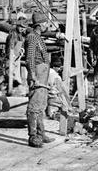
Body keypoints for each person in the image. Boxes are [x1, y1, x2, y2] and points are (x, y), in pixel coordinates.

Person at [24, 11, 55, 148]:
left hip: (43, 73)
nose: (46, 25)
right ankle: (33, 136)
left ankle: (41, 133)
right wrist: (33, 76)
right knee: (34, 107)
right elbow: (30, 58)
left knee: (41, 106)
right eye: (45, 23)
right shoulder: (32, 37)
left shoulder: (38, 37)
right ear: (40, 25)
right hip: (37, 73)